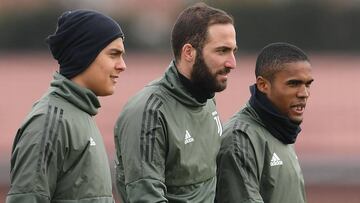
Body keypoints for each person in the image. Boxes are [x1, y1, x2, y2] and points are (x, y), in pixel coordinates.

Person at [114, 2, 237, 202]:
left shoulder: (206, 101)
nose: (232, 63)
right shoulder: (149, 112)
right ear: (189, 52)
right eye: (222, 51)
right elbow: (146, 197)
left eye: (233, 51)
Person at [6, 9, 126, 203]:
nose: (122, 65)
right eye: (114, 54)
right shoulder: (48, 122)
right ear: (84, 54)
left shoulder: (82, 116)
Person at [215, 42, 314, 203]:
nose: (304, 94)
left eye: (308, 84)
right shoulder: (240, 138)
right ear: (263, 85)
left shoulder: (281, 130)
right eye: (293, 84)